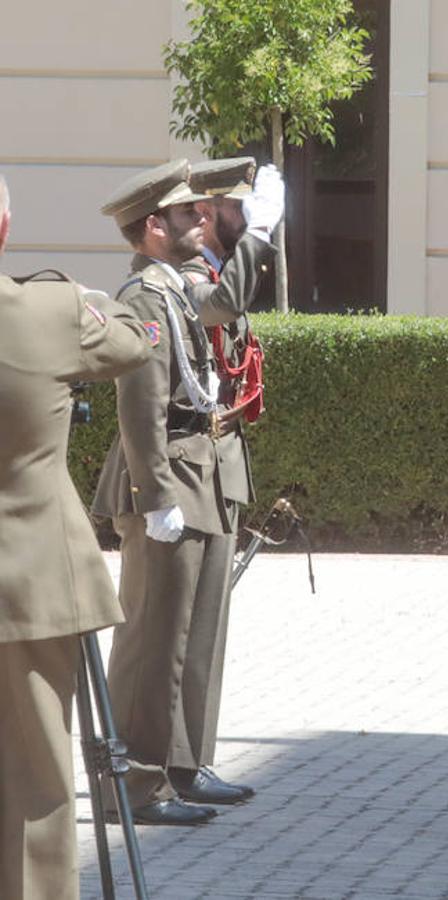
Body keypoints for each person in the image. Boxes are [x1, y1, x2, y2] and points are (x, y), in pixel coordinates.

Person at [0, 173, 152, 898]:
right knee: (36, 776)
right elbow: (133, 343)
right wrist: (87, 300)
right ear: (3, 231)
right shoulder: (51, 310)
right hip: (28, 579)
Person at [90, 159, 231, 826]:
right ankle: (136, 787)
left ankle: (170, 771)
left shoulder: (175, 290)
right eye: (184, 215)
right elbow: (139, 405)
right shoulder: (145, 298)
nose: (199, 219)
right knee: (149, 642)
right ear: (153, 227)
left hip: (189, 469)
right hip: (163, 477)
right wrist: (154, 495)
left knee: (179, 640)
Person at [159, 156, 282, 807]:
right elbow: (226, 304)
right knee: (183, 630)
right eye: (242, 209)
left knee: (208, 628)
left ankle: (193, 760)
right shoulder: (186, 277)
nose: (243, 218)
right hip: (191, 469)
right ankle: (174, 763)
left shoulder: (208, 270)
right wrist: (260, 238)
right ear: (208, 213)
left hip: (220, 464)